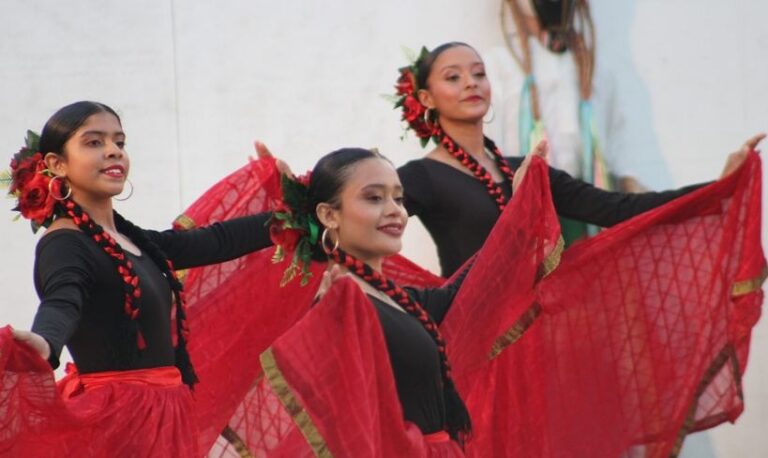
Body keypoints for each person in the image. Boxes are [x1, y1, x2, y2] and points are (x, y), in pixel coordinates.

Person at [3, 101, 274, 457]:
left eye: (120, 142)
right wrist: (45, 342)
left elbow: (215, 240)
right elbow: (62, 299)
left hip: (160, 411)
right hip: (120, 420)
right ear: (57, 165)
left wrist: (291, 215)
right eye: (94, 142)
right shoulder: (64, 243)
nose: (113, 151)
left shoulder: (134, 240)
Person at [393, 42, 764, 276]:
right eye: (453, 77)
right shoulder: (421, 176)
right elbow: (365, 225)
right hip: (472, 340)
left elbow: (617, 209)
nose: (471, 83)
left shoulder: (526, 168)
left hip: (537, 337)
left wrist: (719, 186)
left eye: (479, 74)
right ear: (426, 99)